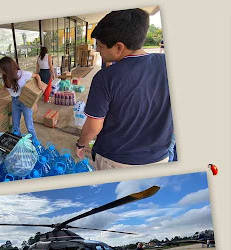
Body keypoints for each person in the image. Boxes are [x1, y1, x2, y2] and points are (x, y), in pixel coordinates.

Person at [75, 9, 174, 170]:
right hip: (159, 159)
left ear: (119, 47)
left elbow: (93, 126)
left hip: (116, 162)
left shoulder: (106, 77)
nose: (98, 50)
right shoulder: (166, 63)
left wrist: (81, 144)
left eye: (100, 46)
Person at [0, 56, 41, 139]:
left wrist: (39, 83)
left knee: (29, 126)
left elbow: (36, 76)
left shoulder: (22, 74)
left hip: (25, 102)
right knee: (15, 126)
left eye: (1, 68)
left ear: (7, 67)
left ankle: (36, 144)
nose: (0, 70)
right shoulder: (6, 76)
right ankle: (17, 143)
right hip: (14, 101)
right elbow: (5, 87)